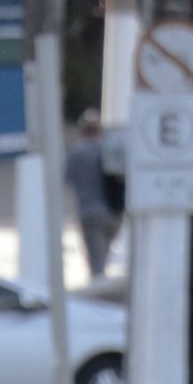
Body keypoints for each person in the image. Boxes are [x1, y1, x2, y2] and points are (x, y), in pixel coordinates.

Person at [64, 111, 121, 282]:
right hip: (114, 210)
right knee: (104, 253)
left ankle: (98, 290)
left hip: (88, 211)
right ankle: (101, 283)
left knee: (95, 258)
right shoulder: (109, 149)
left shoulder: (76, 153)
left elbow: (66, 178)